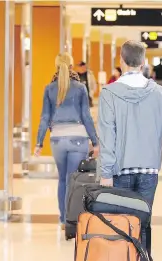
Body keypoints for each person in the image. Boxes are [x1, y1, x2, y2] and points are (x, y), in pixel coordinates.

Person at [98, 40, 162, 207]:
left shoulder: (108, 93)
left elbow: (107, 136)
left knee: (121, 225)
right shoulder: (158, 92)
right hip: (149, 171)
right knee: (143, 223)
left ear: (121, 60)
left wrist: (106, 173)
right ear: (143, 62)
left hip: (119, 171)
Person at [34, 53, 99, 230]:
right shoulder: (80, 88)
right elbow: (86, 116)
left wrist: (39, 142)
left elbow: (45, 117)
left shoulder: (49, 89)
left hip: (57, 140)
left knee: (62, 179)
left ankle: (63, 220)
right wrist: (95, 141)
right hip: (78, 138)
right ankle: (74, 219)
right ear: (72, 67)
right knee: (74, 180)